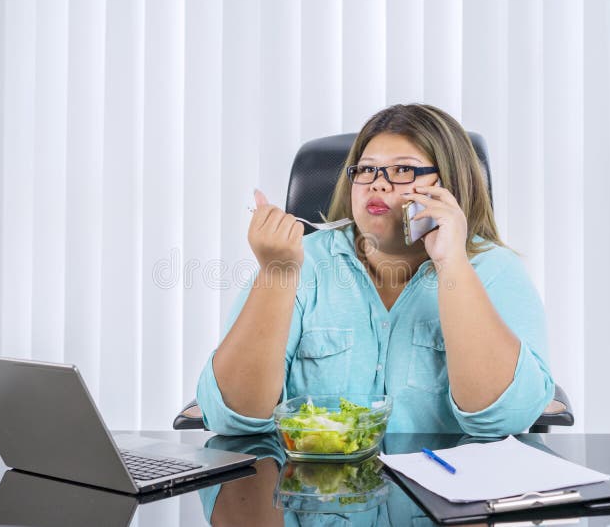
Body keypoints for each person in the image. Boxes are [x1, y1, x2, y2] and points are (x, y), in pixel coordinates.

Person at [196, 103, 554, 436]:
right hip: (315, 493)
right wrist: (277, 275)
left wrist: (452, 264)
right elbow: (233, 416)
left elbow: (505, 415)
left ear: (449, 186)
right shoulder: (294, 260)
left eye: (403, 169)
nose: (377, 183)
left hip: (447, 496)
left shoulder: (494, 269)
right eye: (366, 170)